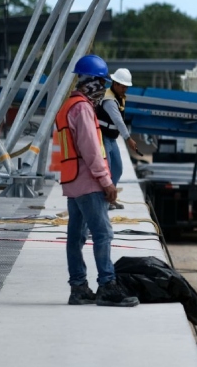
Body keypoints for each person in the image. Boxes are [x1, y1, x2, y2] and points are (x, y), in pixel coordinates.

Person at [58, 54, 139, 308]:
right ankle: (107, 285)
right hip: (88, 183)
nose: (103, 88)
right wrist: (107, 182)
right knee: (103, 233)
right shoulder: (82, 108)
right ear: (91, 82)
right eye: (101, 83)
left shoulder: (69, 105)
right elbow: (92, 150)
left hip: (73, 183)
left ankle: (79, 288)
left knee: (76, 237)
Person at [97, 67, 138, 210]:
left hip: (111, 139)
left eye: (127, 86)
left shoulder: (118, 97)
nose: (125, 89)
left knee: (117, 168)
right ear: (115, 84)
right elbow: (118, 121)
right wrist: (128, 139)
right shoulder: (109, 100)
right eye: (123, 86)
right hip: (103, 138)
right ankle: (105, 200)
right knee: (106, 171)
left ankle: (110, 198)